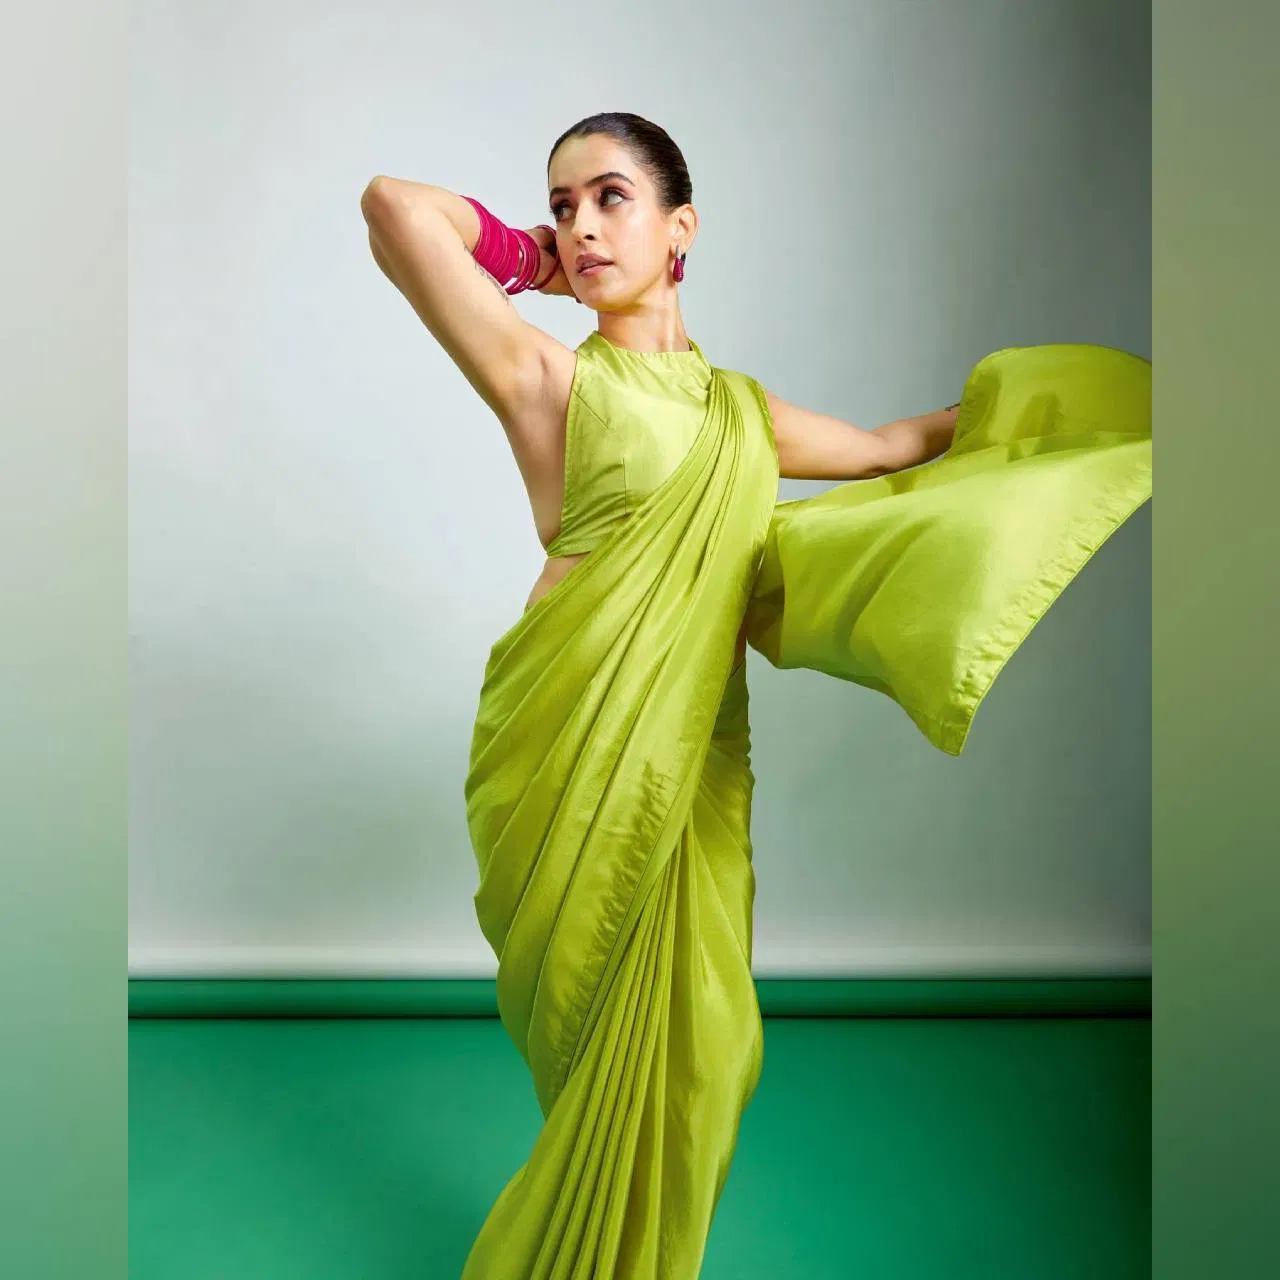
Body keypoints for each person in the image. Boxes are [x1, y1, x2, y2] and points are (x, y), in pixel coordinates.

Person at [360, 111, 1152, 1278]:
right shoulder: (547, 377)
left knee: (708, 1048)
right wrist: (527, 257)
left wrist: (1070, 421)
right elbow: (392, 205)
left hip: (693, 752)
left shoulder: (741, 412)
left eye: (610, 197)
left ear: (680, 228)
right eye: (563, 205)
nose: (582, 224)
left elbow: (891, 448)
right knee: (598, 1037)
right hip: (573, 742)